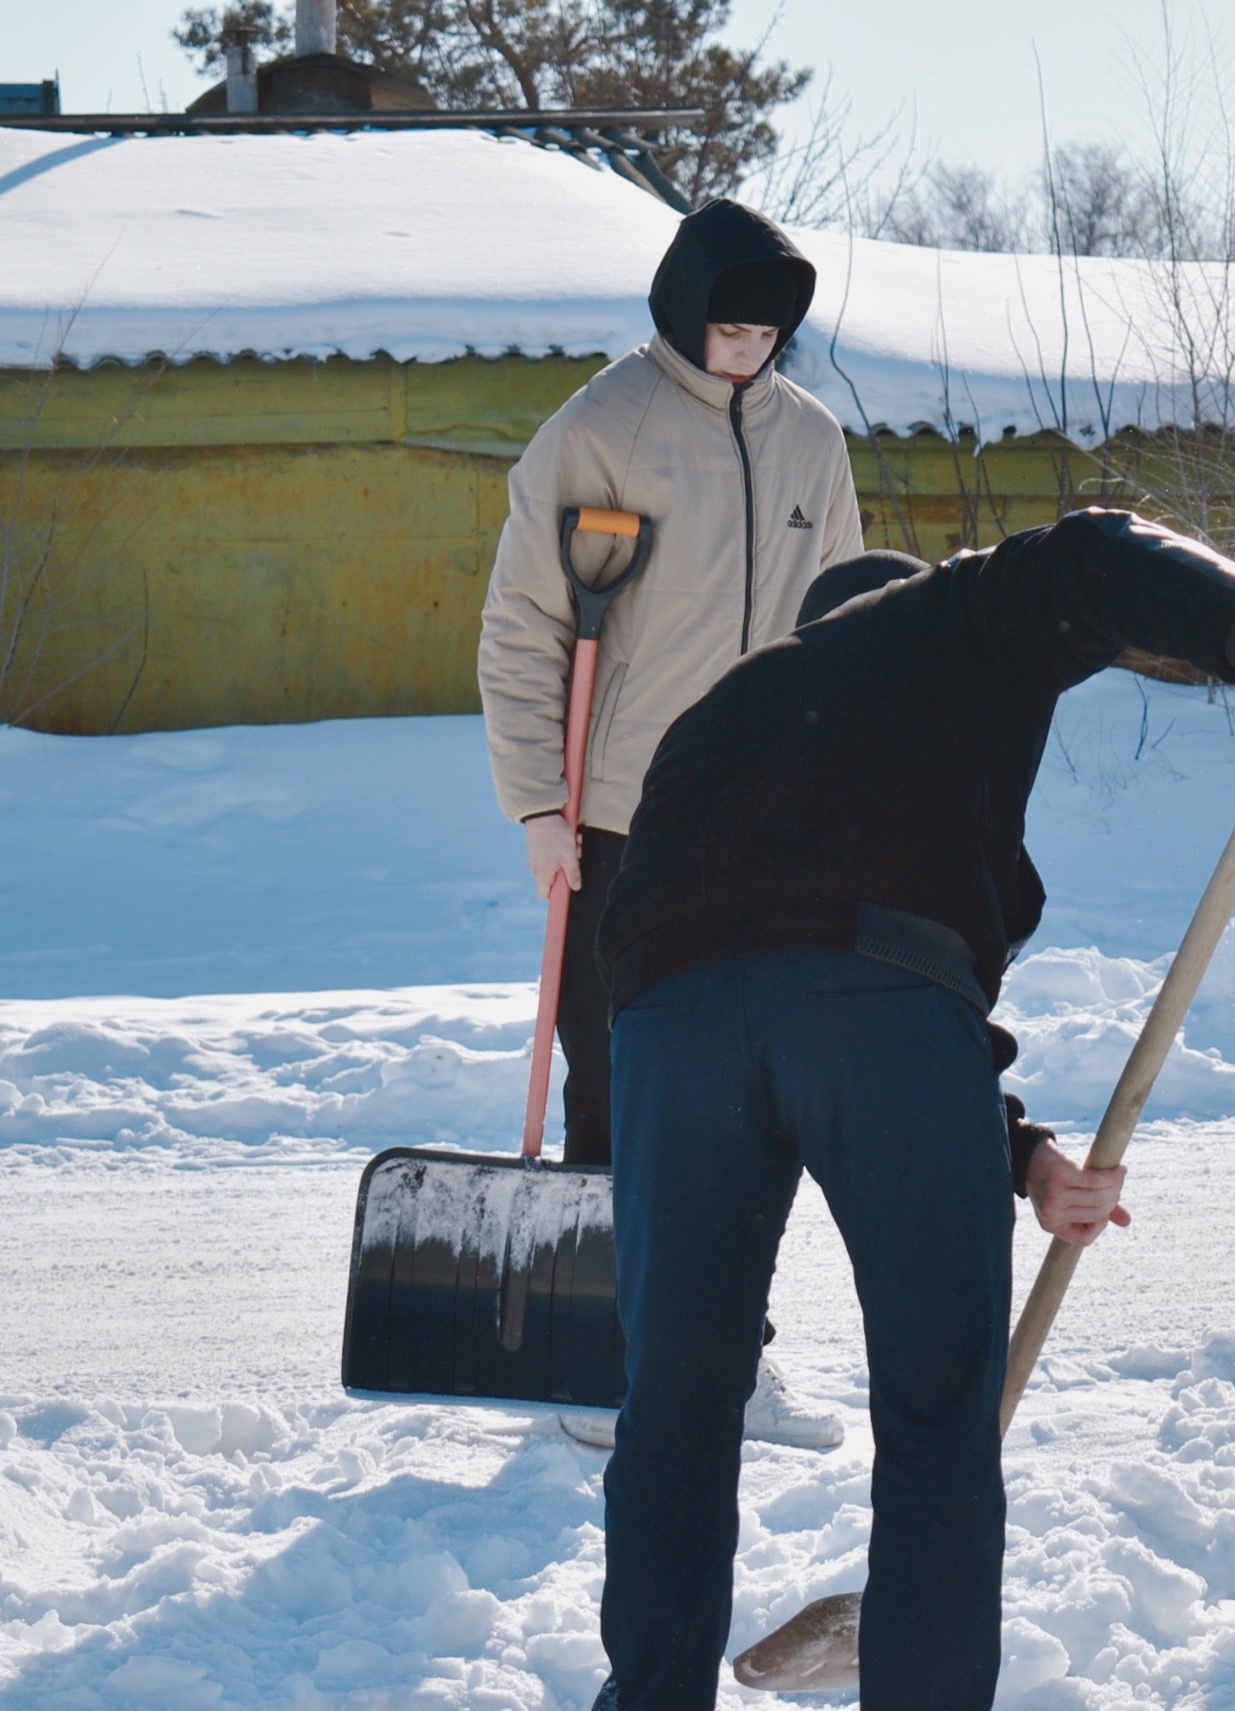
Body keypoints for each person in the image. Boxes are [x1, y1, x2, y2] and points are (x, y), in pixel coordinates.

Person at [585, 508, 1235, 1711]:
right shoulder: (947, 623)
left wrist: (1017, 1151)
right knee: (939, 1411)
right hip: (876, 1014)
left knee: (676, 1403)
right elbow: (1096, 554)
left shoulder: (718, 713)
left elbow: (764, 966)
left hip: (667, 1024)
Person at [477, 197, 862, 1450]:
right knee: (625, 1084)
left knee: (754, 1102)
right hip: (620, 817)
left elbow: (847, 625)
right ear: (681, 308)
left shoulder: (812, 441)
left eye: (765, 332)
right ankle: (614, 1348)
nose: (744, 350)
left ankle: (735, 1357)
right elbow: (524, 626)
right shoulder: (602, 428)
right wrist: (541, 804)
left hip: (765, 822)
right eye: (727, 325)